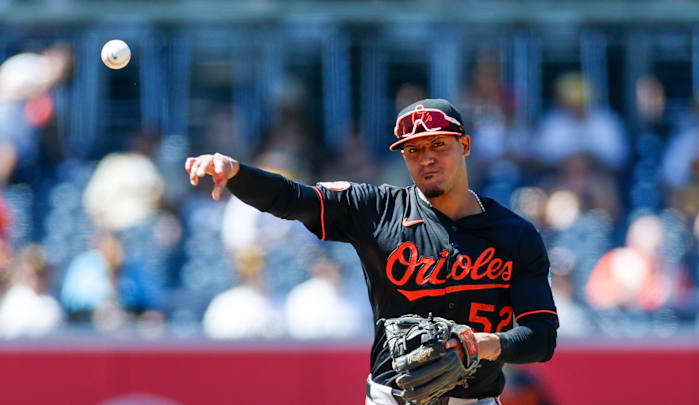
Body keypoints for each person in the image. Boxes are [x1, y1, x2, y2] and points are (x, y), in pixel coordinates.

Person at [185, 99, 558, 404]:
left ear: (464, 145)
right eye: (413, 150)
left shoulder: (515, 235)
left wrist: (482, 344)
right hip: (393, 399)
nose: (425, 158)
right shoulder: (378, 210)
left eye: (438, 145)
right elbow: (294, 198)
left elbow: (541, 337)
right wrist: (236, 173)